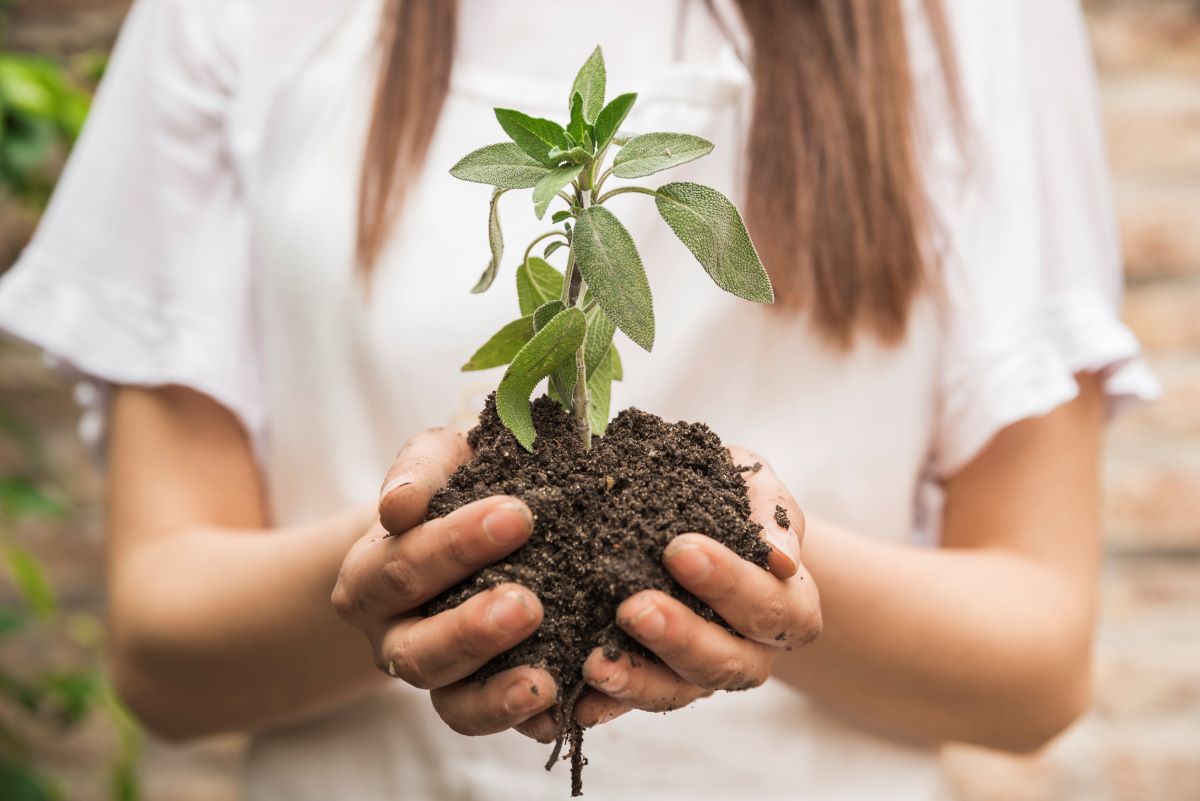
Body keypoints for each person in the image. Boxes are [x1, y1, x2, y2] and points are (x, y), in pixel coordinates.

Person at [0, 0, 1159, 799]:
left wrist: (735, 560)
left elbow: (1036, 664)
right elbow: (161, 653)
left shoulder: (969, 22)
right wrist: (403, 566)